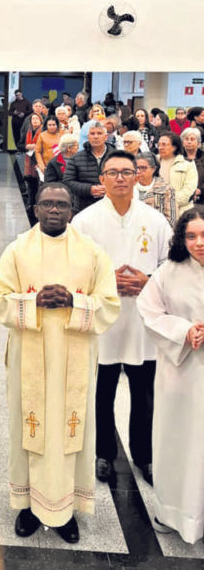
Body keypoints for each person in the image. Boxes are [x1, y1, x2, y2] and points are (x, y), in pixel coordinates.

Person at [0, 182, 119, 543]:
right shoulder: (17, 250)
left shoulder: (91, 252)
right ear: (35, 209)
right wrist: (31, 304)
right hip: (29, 354)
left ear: (71, 210)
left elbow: (110, 304)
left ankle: (65, 511)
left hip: (73, 357)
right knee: (28, 430)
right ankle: (28, 506)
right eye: (47, 204)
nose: (55, 210)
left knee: (69, 432)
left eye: (62, 205)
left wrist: (75, 302)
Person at [72, 150, 172, 485]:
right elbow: (72, 269)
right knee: (102, 392)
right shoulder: (84, 221)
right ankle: (102, 453)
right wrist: (106, 280)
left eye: (127, 172)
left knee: (145, 395)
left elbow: (170, 270)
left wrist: (147, 281)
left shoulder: (156, 221)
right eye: (112, 172)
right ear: (101, 179)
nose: (119, 178)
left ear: (138, 176)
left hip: (142, 322)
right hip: (102, 322)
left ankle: (144, 456)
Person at [137, 208, 204, 545]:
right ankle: (172, 511)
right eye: (191, 236)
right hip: (181, 372)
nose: (199, 243)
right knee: (177, 439)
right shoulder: (168, 272)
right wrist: (183, 331)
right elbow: (149, 311)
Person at [63, 120, 109, 214]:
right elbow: (67, 181)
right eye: (92, 133)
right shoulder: (76, 158)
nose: (95, 136)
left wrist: (109, 189)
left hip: (110, 207)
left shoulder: (116, 156)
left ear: (105, 137)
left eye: (99, 133)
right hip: (83, 209)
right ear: (88, 137)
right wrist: (89, 189)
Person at [157, 131, 198, 215]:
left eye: (164, 145)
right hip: (157, 210)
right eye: (159, 145)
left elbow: (188, 190)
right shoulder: (153, 162)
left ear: (174, 147)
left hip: (181, 211)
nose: (160, 147)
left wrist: (169, 203)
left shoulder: (188, 163)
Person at [135, 153, 177, 227]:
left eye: (143, 168)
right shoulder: (127, 187)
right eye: (136, 168)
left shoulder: (166, 189)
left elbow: (171, 220)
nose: (138, 171)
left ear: (154, 169)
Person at [180, 127, 204, 205]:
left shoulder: (202, 157)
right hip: (182, 198)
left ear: (199, 143)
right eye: (186, 139)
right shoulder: (178, 158)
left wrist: (200, 190)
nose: (189, 141)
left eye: (192, 139)